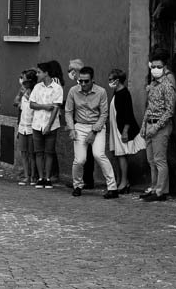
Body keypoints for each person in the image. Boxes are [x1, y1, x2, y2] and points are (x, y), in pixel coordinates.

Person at [65, 66, 119, 198]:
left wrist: (94, 131)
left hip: (97, 126)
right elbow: (68, 111)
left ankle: (112, 187)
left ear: (92, 80)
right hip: (80, 126)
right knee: (80, 160)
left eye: (86, 81)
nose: (83, 84)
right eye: (80, 81)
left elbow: (104, 114)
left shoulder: (101, 92)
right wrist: (72, 129)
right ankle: (77, 185)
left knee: (99, 155)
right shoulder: (73, 91)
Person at [140, 48, 176, 202]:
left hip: (161, 127)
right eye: (153, 66)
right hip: (149, 124)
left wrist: (156, 127)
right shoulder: (153, 84)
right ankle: (154, 187)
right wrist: (144, 125)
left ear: (164, 67)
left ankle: (161, 191)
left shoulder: (167, 85)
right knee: (151, 160)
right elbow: (149, 107)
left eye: (158, 67)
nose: (155, 69)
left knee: (160, 160)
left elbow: (169, 111)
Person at [107, 68, 142, 194]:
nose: (109, 82)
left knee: (121, 155)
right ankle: (118, 179)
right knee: (116, 154)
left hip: (121, 129)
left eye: (110, 79)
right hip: (115, 128)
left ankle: (124, 182)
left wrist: (125, 131)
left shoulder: (124, 93)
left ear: (117, 80)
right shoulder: (116, 92)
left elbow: (128, 113)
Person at [30, 62, 64, 189]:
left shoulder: (57, 88)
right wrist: (44, 106)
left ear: (46, 73)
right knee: (38, 152)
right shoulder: (37, 87)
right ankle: (40, 178)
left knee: (49, 152)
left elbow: (56, 107)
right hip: (37, 123)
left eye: (39, 72)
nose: (37, 74)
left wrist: (49, 125)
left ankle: (48, 178)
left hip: (52, 124)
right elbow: (31, 104)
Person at [68, 58, 97, 190]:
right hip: (78, 122)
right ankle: (79, 179)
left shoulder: (87, 84)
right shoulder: (75, 87)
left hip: (88, 123)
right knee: (80, 155)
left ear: (76, 70)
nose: (69, 72)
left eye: (70, 70)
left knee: (88, 154)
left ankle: (87, 180)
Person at [15, 69, 37, 186]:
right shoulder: (23, 96)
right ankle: (26, 176)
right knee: (23, 152)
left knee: (32, 153)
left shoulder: (36, 95)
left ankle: (33, 176)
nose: (24, 87)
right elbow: (20, 108)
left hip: (32, 128)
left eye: (26, 84)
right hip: (22, 127)